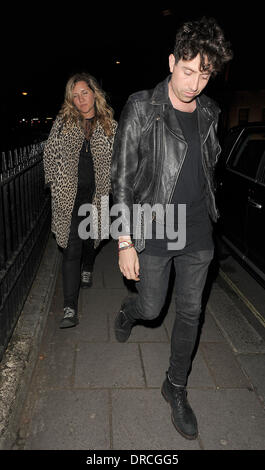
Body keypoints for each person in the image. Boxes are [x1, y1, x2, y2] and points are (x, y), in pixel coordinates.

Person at [111, 17, 233, 439]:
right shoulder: (141, 106)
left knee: (191, 310)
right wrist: (125, 241)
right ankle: (128, 313)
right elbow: (122, 178)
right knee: (151, 308)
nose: (194, 83)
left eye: (204, 73)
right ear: (171, 61)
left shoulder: (212, 110)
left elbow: (207, 167)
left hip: (198, 229)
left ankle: (175, 386)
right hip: (153, 224)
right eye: (187, 70)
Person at [44, 72, 117, 328]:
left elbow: (120, 163)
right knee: (72, 247)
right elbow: (50, 153)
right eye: (75, 96)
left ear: (94, 93)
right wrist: (54, 184)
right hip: (69, 197)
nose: (80, 99)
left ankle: (89, 265)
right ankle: (69, 308)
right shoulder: (63, 122)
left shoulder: (109, 125)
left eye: (84, 93)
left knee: (91, 240)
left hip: (96, 197)